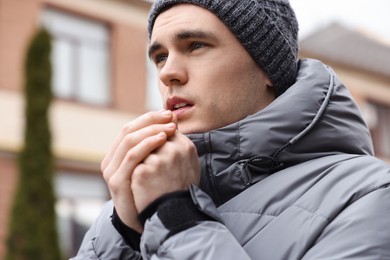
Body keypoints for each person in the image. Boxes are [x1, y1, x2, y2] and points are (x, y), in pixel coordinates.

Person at [72, 0, 390, 259]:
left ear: (267, 67)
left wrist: (178, 219)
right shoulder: (129, 207)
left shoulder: (371, 195)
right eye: (160, 56)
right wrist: (125, 234)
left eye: (196, 45)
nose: (168, 72)